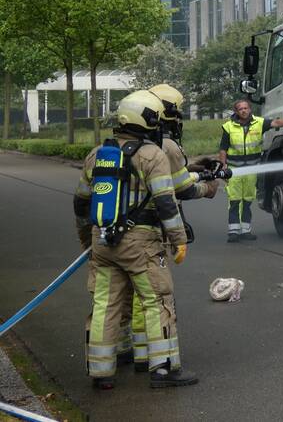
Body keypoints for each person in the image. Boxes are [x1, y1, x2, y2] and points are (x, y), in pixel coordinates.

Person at [73, 90, 198, 390]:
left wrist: (87, 241)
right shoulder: (152, 155)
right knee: (157, 301)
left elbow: (80, 203)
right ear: (146, 120)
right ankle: (164, 370)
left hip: (102, 242)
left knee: (105, 305)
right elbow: (166, 203)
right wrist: (179, 240)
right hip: (141, 244)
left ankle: (101, 374)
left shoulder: (96, 154)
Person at [119, 84, 229, 372]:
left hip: (117, 232)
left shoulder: (127, 145)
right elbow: (176, 190)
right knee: (154, 295)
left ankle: (133, 353)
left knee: (125, 293)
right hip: (146, 232)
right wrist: (207, 186)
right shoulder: (164, 145)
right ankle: (157, 362)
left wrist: (196, 166)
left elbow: (172, 172)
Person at [218, 99, 283, 242]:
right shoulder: (228, 127)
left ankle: (245, 231)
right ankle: (233, 232)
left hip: (251, 169)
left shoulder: (259, 122)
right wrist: (222, 166)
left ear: (250, 109)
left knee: (247, 201)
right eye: (240, 109)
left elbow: (276, 123)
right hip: (234, 170)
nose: (244, 111)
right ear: (236, 112)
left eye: (246, 108)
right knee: (234, 201)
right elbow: (223, 149)